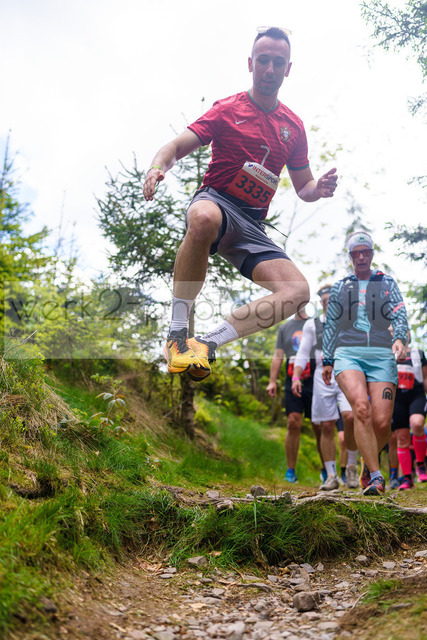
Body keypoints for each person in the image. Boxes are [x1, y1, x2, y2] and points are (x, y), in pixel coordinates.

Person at [143, 27, 338, 381]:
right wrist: (158, 167)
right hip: (216, 202)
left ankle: (207, 343)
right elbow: (175, 147)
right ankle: (177, 333)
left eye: (277, 62)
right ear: (250, 63)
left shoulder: (293, 127)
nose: (269, 69)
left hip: (251, 224)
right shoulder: (227, 109)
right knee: (203, 217)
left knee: (298, 291)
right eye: (263, 60)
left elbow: (304, 186)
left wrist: (318, 189)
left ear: (288, 69)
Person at [322, 231, 409, 496]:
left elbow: (399, 312)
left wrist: (400, 338)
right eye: (355, 253)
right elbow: (331, 324)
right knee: (361, 408)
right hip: (348, 352)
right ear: (350, 256)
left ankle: (367, 464)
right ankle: (377, 476)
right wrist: (328, 359)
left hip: (381, 353)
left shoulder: (386, 282)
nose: (361, 257)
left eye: (365, 252)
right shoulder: (341, 286)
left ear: (371, 254)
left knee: (382, 423)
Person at [292, 285, 358, 490]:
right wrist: (296, 376)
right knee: (326, 425)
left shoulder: (348, 322)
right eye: (324, 300)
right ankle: (331, 475)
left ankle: (352, 468)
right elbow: (303, 352)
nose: (328, 303)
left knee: (350, 417)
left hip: (346, 371)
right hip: (322, 376)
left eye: (331, 299)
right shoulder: (312, 325)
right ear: (320, 303)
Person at [266, 309, 321, 483]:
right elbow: (278, 355)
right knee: (293, 422)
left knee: (319, 424)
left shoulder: (315, 324)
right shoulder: (285, 328)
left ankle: (327, 469)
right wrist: (272, 381)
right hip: (292, 378)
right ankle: (291, 471)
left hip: (315, 378)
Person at [391, 335, 427, 489]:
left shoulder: (418, 354)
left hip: (416, 394)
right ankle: (407, 478)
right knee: (402, 437)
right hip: (397, 397)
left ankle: (421, 465)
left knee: (417, 424)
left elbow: (425, 379)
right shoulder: (387, 355)